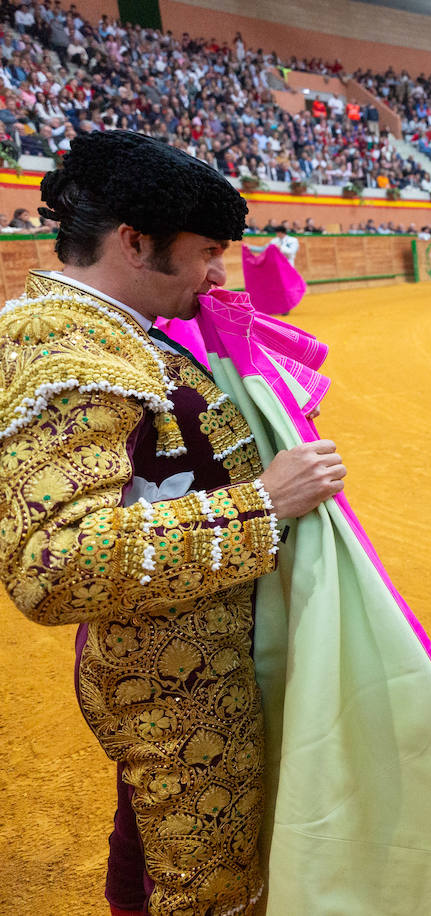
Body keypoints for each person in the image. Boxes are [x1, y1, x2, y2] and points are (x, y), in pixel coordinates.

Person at [0, 130, 346, 915]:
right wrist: (265, 501)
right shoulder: (69, 349)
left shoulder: (113, 329)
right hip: (170, 675)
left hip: (178, 656)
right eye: (207, 252)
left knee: (150, 835)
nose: (221, 274)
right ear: (133, 242)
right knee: (203, 882)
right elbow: (53, 563)